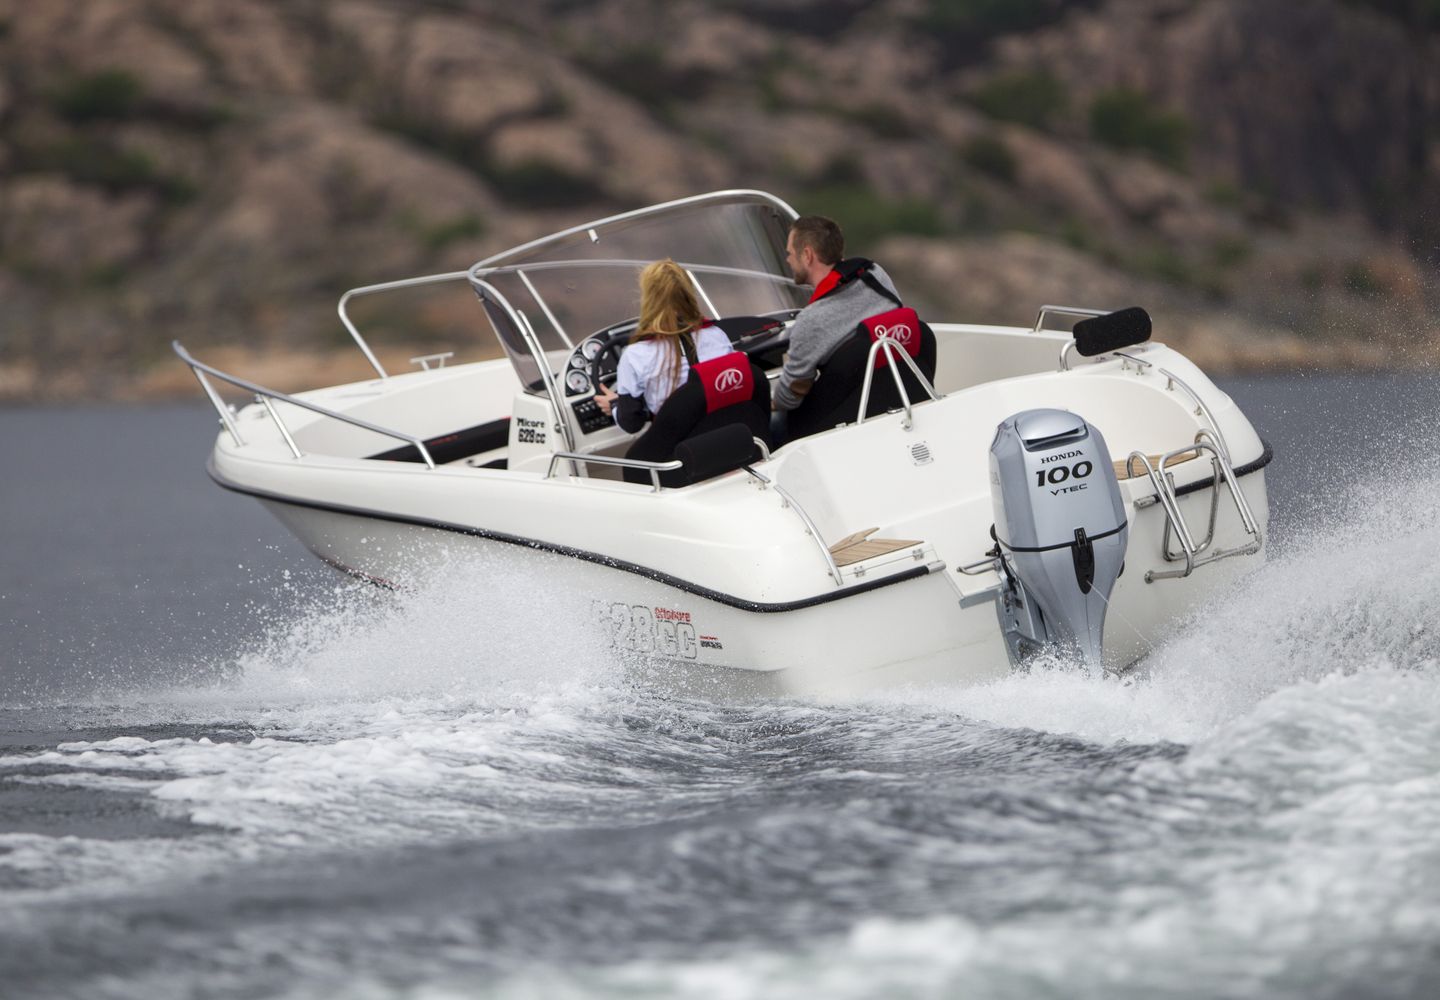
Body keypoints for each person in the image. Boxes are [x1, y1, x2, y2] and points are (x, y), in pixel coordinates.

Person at [772, 215, 902, 416]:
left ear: (807, 255)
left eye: (790, 253)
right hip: (900, 395)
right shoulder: (875, 275)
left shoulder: (812, 320)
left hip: (849, 418)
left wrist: (770, 401)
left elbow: (790, 397)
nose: (788, 260)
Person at [595, 259, 732, 433]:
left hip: (686, 448)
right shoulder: (716, 335)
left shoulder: (635, 355)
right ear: (688, 292)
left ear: (648, 299)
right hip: (731, 431)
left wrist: (615, 405)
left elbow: (631, 424)